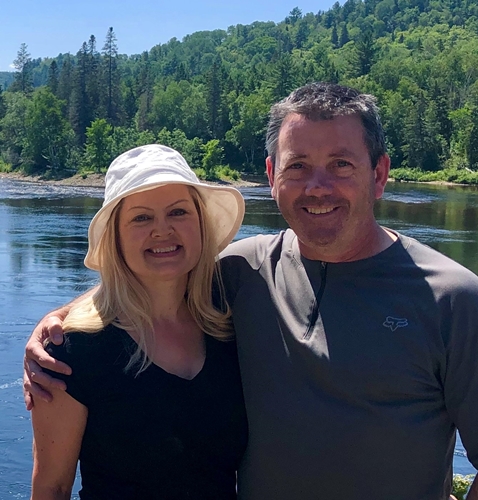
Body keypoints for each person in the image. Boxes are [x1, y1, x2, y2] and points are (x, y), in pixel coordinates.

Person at [24, 83, 478, 500]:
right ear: (271, 175)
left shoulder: (453, 300)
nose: (317, 187)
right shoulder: (246, 271)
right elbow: (151, 280)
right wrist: (59, 322)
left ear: (379, 174)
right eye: (297, 166)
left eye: (341, 164)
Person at [29, 144, 248, 499]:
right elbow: (51, 488)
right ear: (115, 237)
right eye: (142, 218)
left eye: (178, 212)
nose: (162, 230)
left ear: (200, 223)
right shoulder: (72, 351)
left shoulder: (231, 322)